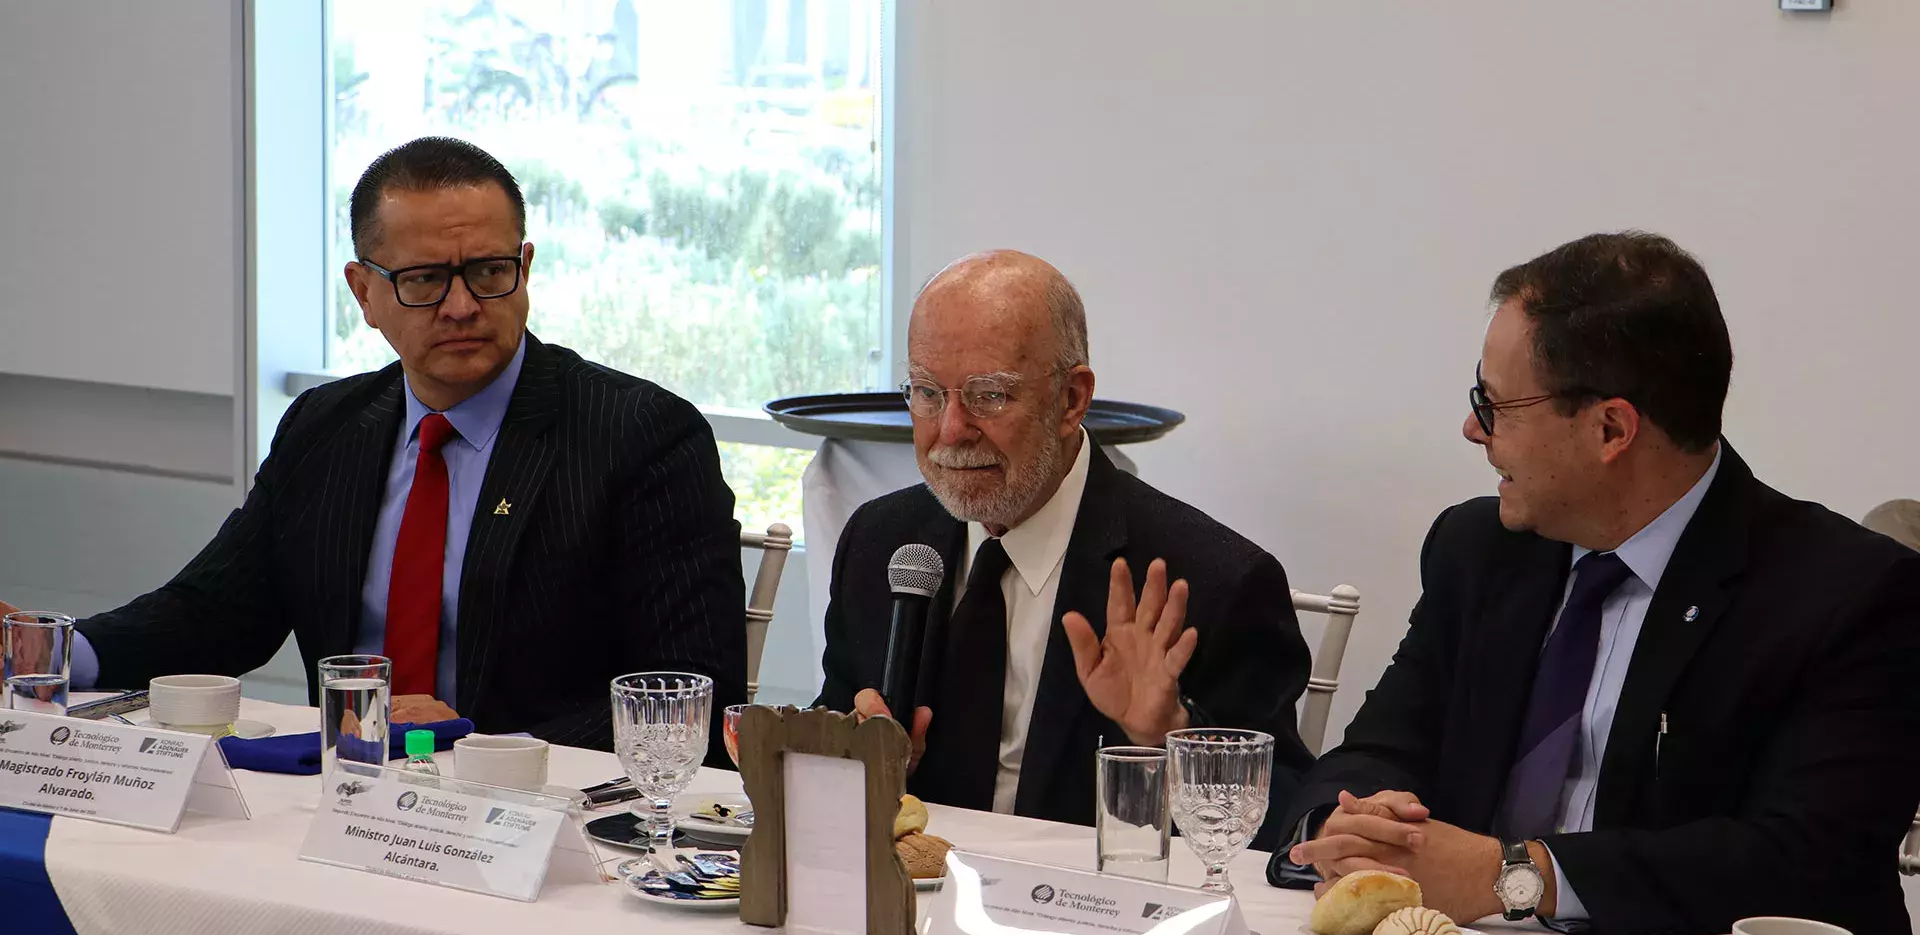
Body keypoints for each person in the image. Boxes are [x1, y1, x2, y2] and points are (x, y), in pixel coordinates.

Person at [1274, 232, 1920, 935]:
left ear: (1610, 428)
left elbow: (1806, 859)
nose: (1471, 430)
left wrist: (1518, 877)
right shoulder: (1481, 549)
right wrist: (1349, 823)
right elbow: (1382, 746)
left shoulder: (1849, 594)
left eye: (1495, 407)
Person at [0, 137, 746, 753]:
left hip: (545, 821)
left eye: (489, 272)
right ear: (364, 293)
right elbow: (214, 614)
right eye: (425, 280)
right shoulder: (326, 427)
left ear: (525, 268)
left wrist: (470, 745)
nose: (461, 307)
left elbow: (689, 697)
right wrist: (46, 652)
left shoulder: (640, 434)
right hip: (345, 801)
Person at [815, 250, 1313, 835]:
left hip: (1095, 910)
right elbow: (838, 729)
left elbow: (1286, 820)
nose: (950, 430)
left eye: (989, 395)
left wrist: (1170, 734)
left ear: (1072, 399)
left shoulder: (1214, 581)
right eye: (927, 393)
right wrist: (853, 760)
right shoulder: (882, 544)